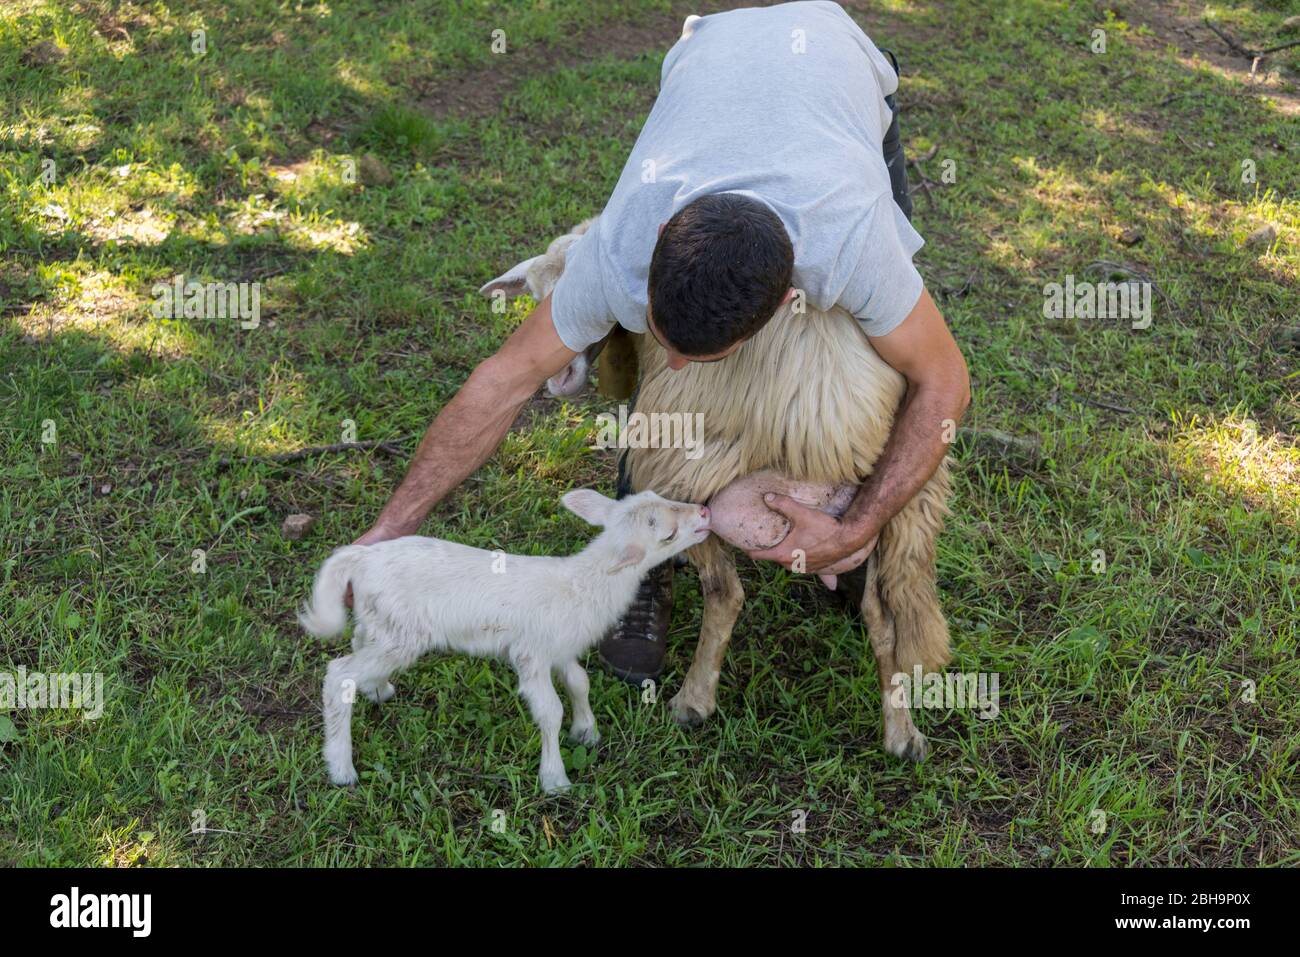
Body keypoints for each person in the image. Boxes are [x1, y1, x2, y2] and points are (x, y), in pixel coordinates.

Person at [353, 2, 970, 684]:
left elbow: (945, 383)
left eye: (696, 356)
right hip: (709, 54)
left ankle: (853, 533)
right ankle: (646, 559)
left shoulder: (853, 241)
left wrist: (862, 524)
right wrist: (391, 527)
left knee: (884, 350)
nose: (672, 363)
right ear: (652, 268)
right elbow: (503, 380)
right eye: (662, 337)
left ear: (788, 301)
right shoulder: (620, 248)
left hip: (836, 58)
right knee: (660, 397)